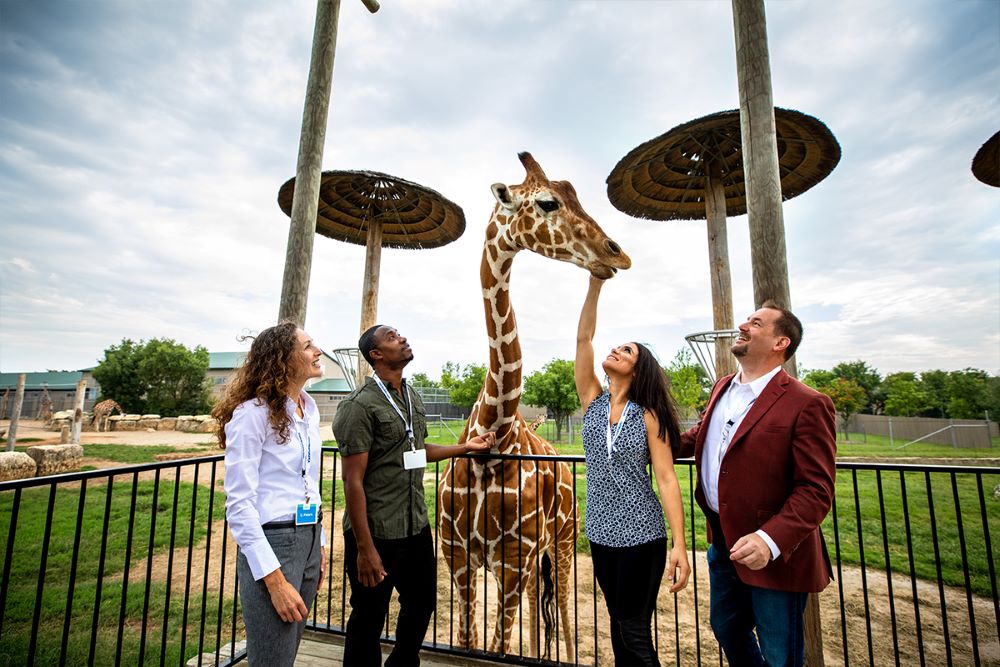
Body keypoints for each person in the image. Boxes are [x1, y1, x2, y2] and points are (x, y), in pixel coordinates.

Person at [676, 301, 837, 667]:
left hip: (773, 555)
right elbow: (699, 436)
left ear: (781, 342)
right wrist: (650, 441)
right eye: (747, 320)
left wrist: (769, 540)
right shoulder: (722, 388)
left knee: (780, 655)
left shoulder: (807, 403)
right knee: (727, 628)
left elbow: (816, 490)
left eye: (756, 323)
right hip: (723, 543)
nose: (743, 325)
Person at [333, 324, 495, 667]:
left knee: (422, 603)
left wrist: (465, 447)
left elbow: (417, 450)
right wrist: (365, 549)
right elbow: (352, 481)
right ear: (376, 355)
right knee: (368, 616)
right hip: (376, 531)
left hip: (415, 526)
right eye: (392, 337)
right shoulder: (358, 407)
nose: (402, 338)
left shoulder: (412, 397)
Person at [575, 276, 691, 666]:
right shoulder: (592, 401)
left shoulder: (649, 416)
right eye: (617, 346)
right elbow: (583, 341)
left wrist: (680, 545)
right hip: (601, 533)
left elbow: (666, 479)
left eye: (627, 350)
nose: (616, 350)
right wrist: (595, 285)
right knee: (617, 625)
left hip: (641, 534)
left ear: (638, 371)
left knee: (634, 631)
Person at [215, 321, 328, 666]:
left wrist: (319, 543)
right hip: (273, 543)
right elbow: (239, 505)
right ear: (283, 359)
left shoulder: (308, 409)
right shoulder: (252, 416)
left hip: (308, 538)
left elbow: (309, 483)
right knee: (271, 658)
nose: (317, 350)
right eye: (308, 346)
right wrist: (275, 581)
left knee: (288, 651)